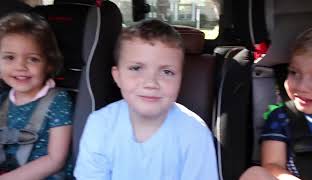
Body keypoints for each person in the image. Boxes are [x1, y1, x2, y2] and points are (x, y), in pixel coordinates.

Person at [74, 19, 218, 180]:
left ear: (180, 79)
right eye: (136, 68)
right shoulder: (100, 124)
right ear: (118, 76)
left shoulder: (195, 134)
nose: (151, 83)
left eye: (167, 72)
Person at [240, 25, 312, 180]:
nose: (301, 87)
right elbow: (272, 165)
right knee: (254, 174)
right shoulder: (282, 117)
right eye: (294, 73)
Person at [0, 13, 73, 179]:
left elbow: (56, 160)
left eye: (33, 59)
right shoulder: (3, 99)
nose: (20, 66)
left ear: (48, 64)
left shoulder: (58, 101)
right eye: (10, 57)